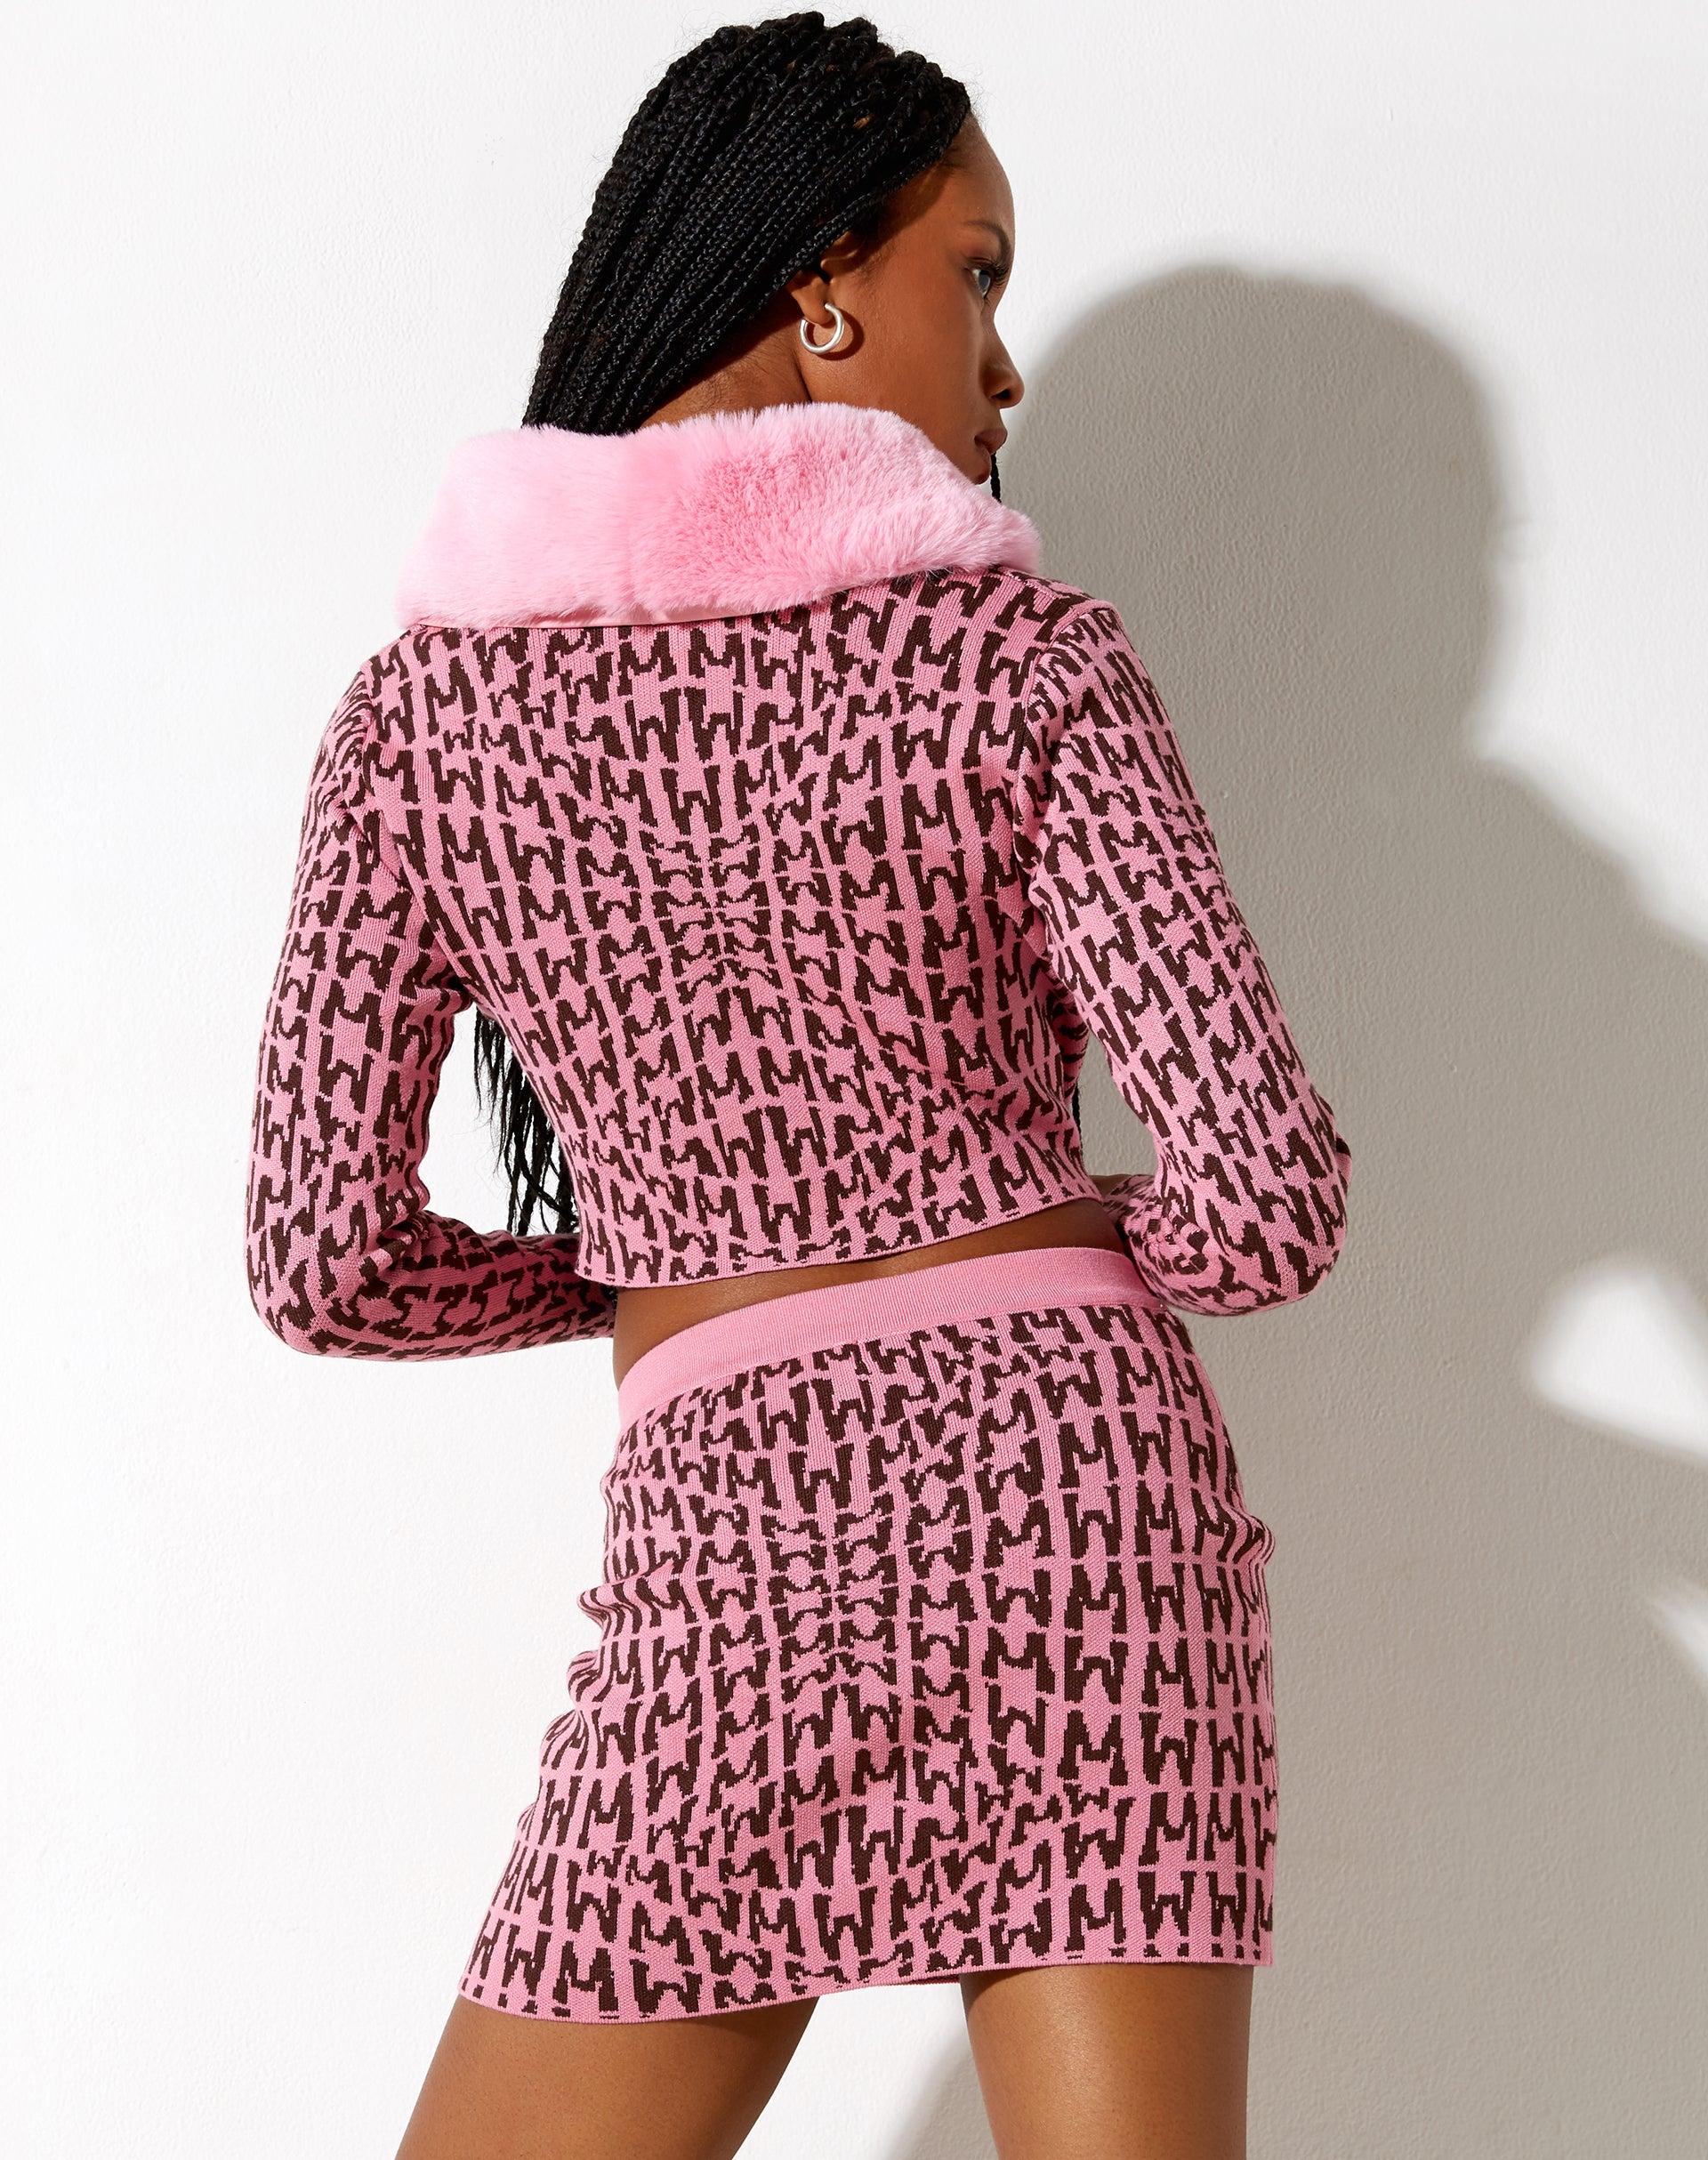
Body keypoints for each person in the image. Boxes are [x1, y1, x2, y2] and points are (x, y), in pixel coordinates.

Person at [244, 12, 1351, 2156]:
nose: (1003, 367)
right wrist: (1017, 1245)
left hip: (727, 1541)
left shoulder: (426, 723)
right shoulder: (1022, 665)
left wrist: (657, 1275)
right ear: (826, 278)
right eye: (978, 273)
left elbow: (326, 1261)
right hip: (1077, 1530)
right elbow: (1266, 1202)